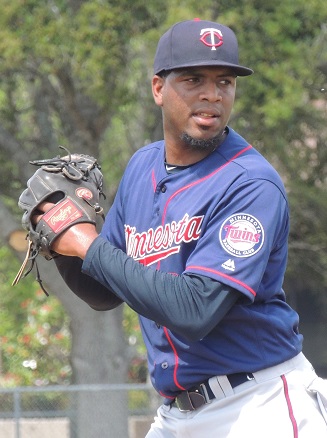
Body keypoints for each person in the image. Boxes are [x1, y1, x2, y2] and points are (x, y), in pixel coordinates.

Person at [35, 19, 327, 437]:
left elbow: (194, 311)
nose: (212, 94)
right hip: (177, 415)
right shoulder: (142, 168)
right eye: (194, 79)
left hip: (256, 407)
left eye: (224, 81)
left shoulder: (249, 184)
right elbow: (103, 292)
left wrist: (85, 244)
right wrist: (59, 239)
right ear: (159, 88)